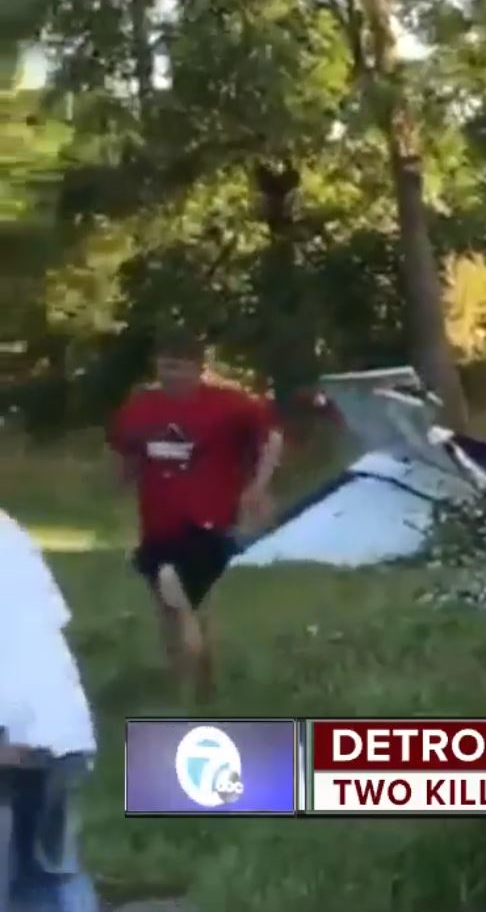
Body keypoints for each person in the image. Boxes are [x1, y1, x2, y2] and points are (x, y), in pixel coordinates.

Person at [107, 330, 283, 702]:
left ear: (198, 368)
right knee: (172, 608)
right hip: (156, 520)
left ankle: (194, 685)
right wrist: (118, 489)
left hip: (208, 520)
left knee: (180, 595)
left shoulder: (229, 404)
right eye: (165, 367)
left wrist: (257, 487)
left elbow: (272, 438)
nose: (172, 376)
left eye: (180, 368)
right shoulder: (142, 406)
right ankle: (191, 683)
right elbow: (127, 453)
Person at [1, 508, 101, 912]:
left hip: (11, 730)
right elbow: (50, 617)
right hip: (61, 724)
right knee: (54, 873)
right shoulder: (7, 529)